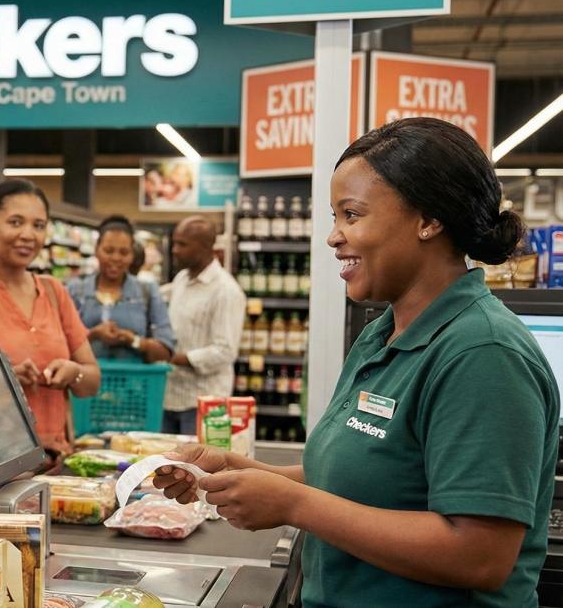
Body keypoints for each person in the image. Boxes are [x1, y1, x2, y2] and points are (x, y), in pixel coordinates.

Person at [154, 118, 558, 607]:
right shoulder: (381, 333)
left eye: (352, 215)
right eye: (334, 217)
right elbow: (362, 477)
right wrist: (240, 470)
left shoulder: (483, 354)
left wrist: (294, 505)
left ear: (428, 220)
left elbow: (480, 555)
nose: (333, 237)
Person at [0, 179, 100, 453]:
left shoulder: (53, 292)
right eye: (15, 222)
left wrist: (74, 373)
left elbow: (92, 380)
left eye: (38, 225)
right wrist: (3, 378)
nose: (28, 235)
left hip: (55, 460)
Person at [160, 216, 246, 435]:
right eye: (175, 243)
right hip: (170, 397)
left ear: (205, 247)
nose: (175, 250)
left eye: (182, 244)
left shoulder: (226, 291)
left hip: (204, 404)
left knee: (197, 468)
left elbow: (224, 351)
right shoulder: (181, 279)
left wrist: (173, 358)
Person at [67, 215, 174, 364]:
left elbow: (165, 352)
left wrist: (134, 340)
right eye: (109, 251)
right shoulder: (74, 291)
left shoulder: (148, 292)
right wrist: (92, 335)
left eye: (124, 252)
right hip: (83, 384)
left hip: (135, 385)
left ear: (132, 255)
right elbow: (58, 346)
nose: (116, 258)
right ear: (96, 250)